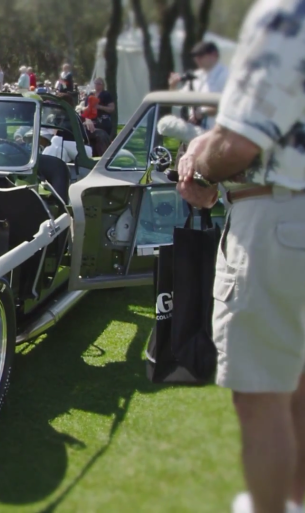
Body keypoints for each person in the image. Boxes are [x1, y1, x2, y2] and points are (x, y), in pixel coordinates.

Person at [175, 1, 305, 512]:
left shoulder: (285, 14)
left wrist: (199, 172)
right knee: (296, 384)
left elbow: (238, 141)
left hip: (279, 221)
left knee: (262, 397)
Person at [169, 40, 229, 129]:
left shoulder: (226, 76)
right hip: (195, 130)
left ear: (214, 55)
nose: (197, 59)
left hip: (217, 131)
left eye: (201, 55)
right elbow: (179, 102)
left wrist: (203, 113)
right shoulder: (196, 76)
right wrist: (172, 86)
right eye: (195, 56)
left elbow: (228, 106)